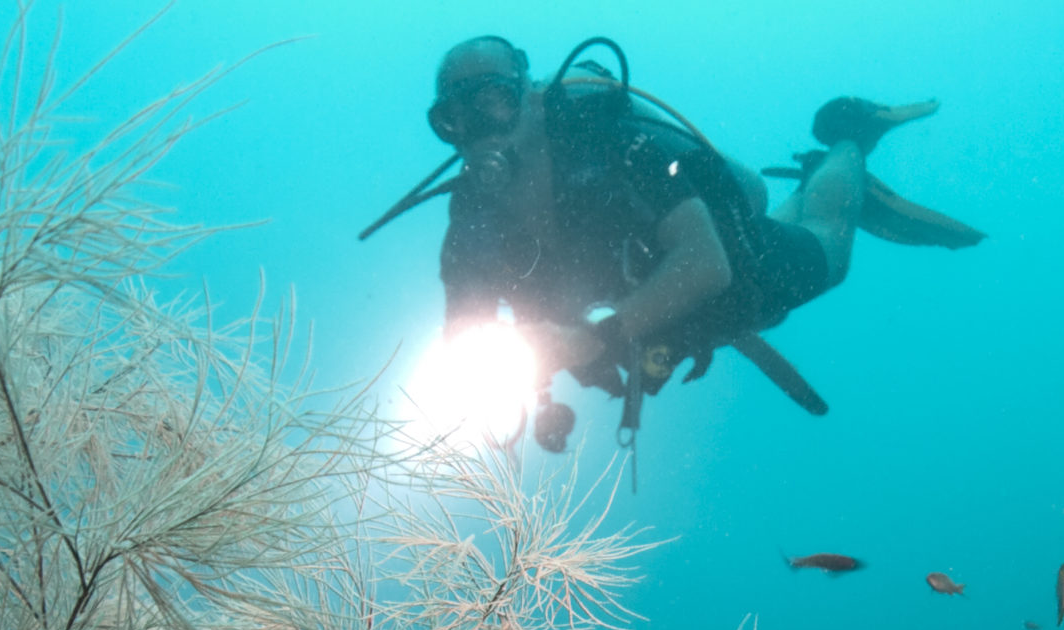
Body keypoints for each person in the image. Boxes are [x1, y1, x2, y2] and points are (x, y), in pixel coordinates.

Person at [417, 36, 981, 452]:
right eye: (454, 118)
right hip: (652, 319)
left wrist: (593, 336)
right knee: (798, 228)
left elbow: (707, 263)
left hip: (735, 267)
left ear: (532, 97)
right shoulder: (471, 219)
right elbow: (461, 331)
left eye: (494, 101)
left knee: (829, 249)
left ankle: (849, 137)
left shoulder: (612, 147)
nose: (479, 129)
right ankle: (822, 177)